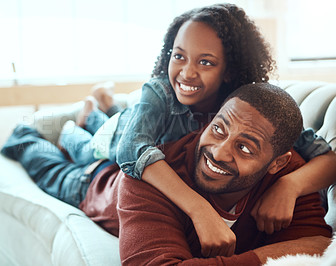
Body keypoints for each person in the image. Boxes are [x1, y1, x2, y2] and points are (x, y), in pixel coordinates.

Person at [56, 3, 336, 256]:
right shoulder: (160, 92)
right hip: (118, 143)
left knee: (106, 125)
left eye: (205, 62)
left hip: (130, 130)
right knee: (85, 148)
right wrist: (198, 207)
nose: (187, 72)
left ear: (229, 70)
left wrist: (290, 185)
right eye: (179, 56)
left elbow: (327, 158)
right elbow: (130, 152)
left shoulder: (244, 106)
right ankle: (89, 112)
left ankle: (103, 104)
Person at [1, 83, 332, 265]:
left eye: (245, 148)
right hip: (95, 185)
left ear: (277, 163)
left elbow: (313, 241)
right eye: (218, 129)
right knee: (49, 153)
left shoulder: (289, 177)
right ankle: (52, 127)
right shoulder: (146, 178)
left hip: (115, 159)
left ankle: (96, 114)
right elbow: (307, 246)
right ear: (209, 120)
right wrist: (266, 255)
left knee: (99, 141)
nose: (219, 151)